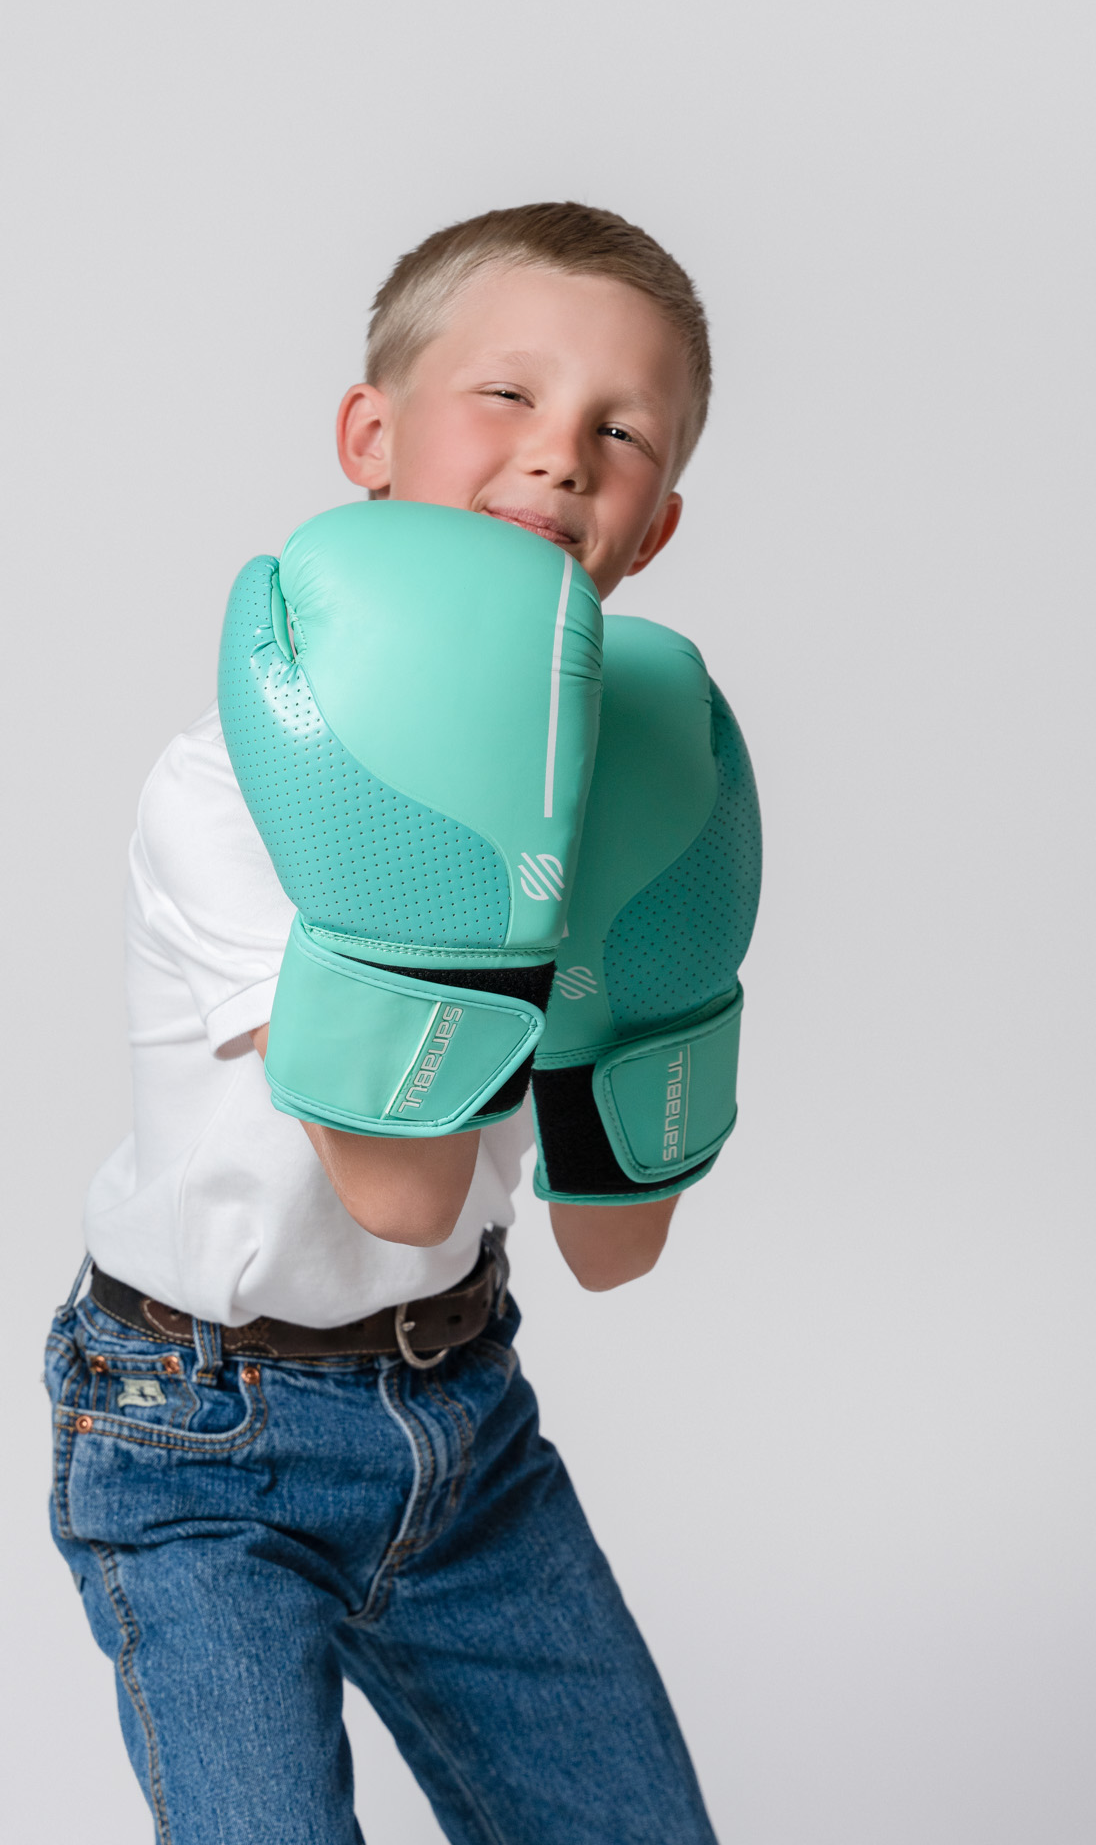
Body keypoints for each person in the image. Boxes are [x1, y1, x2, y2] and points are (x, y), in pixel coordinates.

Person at [46, 203, 730, 1844]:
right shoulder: (228, 786)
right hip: (198, 1439)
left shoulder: (617, 800)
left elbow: (614, 1248)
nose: (559, 456)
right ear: (370, 435)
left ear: (656, 528)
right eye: (506, 396)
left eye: (617, 431)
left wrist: (646, 991)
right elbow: (401, 1185)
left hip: (464, 1425)